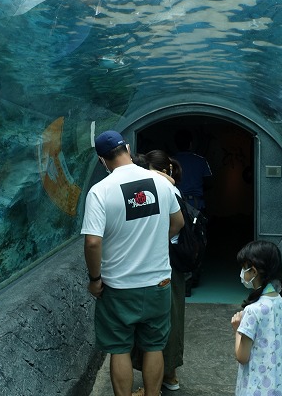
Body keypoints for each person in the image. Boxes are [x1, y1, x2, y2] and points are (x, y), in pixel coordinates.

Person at [82, 131, 185, 396]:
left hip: (118, 287)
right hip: (158, 283)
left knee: (119, 348)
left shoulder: (100, 191)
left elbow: (93, 243)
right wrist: (154, 243)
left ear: (101, 160)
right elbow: (178, 223)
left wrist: (95, 280)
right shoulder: (161, 183)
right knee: (154, 346)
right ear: (127, 148)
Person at [139, 150, 186, 392]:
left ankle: (160, 381)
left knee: (161, 322)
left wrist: (156, 241)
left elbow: (177, 224)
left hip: (165, 261)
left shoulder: (165, 190)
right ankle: (169, 374)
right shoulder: (171, 188)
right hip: (172, 263)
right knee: (171, 318)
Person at [230, 240, 282, 396]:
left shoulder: (252, 311)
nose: (242, 273)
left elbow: (242, 356)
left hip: (257, 388)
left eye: (243, 268)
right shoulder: (280, 302)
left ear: (253, 271)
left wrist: (238, 330)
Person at [173, 129, 212, 295]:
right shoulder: (200, 160)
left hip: (175, 205)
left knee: (178, 241)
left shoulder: (171, 160)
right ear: (191, 144)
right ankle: (193, 277)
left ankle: (181, 280)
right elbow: (209, 182)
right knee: (197, 241)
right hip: (196, 206)